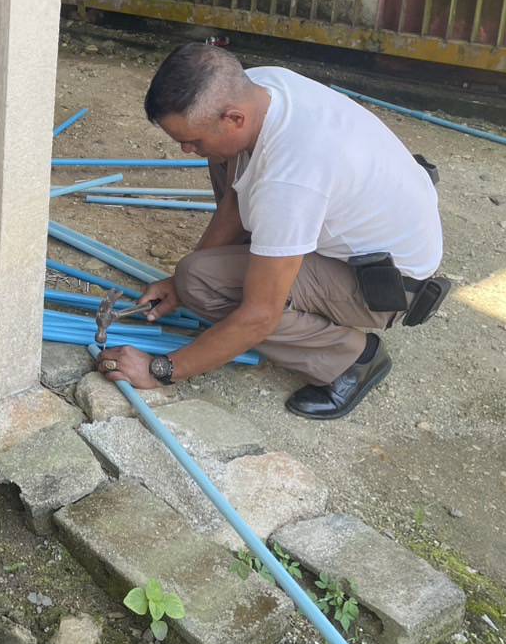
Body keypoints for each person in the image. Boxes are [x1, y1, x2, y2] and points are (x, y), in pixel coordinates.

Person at [96, 43, 447, 420]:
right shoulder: (259, 87)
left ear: (234, 118)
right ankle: (262, 260)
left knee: (201, 282)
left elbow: (260, 314)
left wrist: (160, 370)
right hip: (366, 232)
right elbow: (239, 195)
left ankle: (352, 360)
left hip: (386, 284)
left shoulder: (290, 178)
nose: (185, 149)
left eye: (192, 139)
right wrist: (175, 286)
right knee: (221, 159)